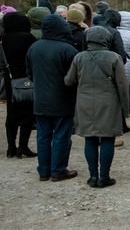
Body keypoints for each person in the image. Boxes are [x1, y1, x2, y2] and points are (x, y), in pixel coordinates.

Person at [64, 26, 128, 188]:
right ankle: (104, 176)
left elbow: (69, 81)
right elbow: (122, 85)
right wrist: (125, 109)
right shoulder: (114, 58)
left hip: (85, 102)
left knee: (90, 138)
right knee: (108, 138)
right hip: (109, 102)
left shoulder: (79, 58)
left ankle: (93, 176)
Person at [26, 14, 79, 181]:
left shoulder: (34, 47)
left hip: (40, 99)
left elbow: (30, 73)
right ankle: (58, 169)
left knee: (43, 136)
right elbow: (74, 77)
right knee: (61, 136)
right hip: (63, 99)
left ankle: (44, 170)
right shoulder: (68, 49)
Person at [2, 12, 38, 158]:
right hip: (26, 78)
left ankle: (11, 147)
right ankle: (23, 146)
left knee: (11, 113)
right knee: (27, 112)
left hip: (9, 78)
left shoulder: (3, 39)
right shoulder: (28, 38)